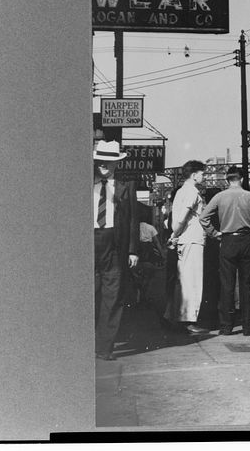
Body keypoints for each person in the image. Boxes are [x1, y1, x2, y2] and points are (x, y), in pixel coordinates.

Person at [199, 166, 250, 336]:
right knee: (247, 284)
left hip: (227, 240)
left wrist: (214, 233)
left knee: (227, 285)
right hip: (246, 240)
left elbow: (203, 218)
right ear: (242, 179)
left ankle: (226, 326)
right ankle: (248, 326)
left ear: (227, 179)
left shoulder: (219, 197)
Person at [92, 140, 140, 361]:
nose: (104, 164)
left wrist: (133, 251)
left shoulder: (124, 187)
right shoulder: (83, 184)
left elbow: (132, 220)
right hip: (89, 242)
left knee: (112, 296)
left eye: (109, 161)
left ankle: (104, 348)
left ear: (116, 164)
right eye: (101, 160)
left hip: (114, 245)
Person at [164, 160, 208, 334]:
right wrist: (175, 233)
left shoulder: (182, 191)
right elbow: (182, 217)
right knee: (193, 281)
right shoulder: (192, 192)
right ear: (194, 174)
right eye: (202, 173)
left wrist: (174, 235)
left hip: (185, 239)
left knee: (183, 280)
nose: (204, 176)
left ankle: (178, 316)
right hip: (192, 239)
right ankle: (189, 320)